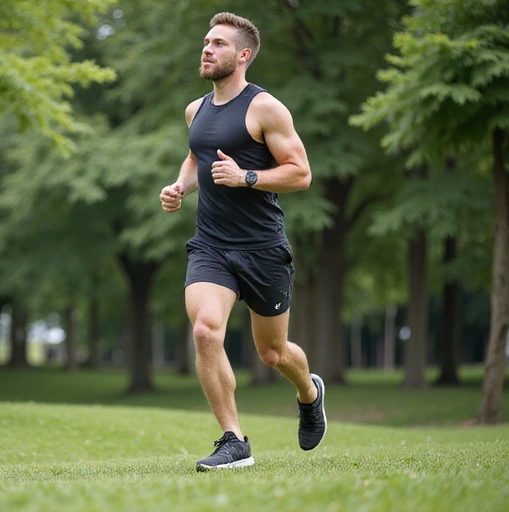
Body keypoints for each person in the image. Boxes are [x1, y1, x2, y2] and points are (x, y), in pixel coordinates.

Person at [159, 12, 327, 472]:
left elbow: (301, 173)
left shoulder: (266, 108)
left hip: (262, 249)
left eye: (218, 43)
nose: (207, 49)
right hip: (211, 246)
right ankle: (234, 441)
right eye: (206, 42)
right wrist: (179, 187)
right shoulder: (195, 111)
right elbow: (196, 157)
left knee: (273, 353)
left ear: (243, 55)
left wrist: (246, 176)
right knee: (204, 330)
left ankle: (309, 392)